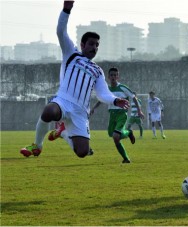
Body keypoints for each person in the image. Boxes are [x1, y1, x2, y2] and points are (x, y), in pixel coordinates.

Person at [20, 1, 129, 158]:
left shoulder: (97, 71)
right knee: (49, 111)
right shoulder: (71, 53)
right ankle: (37, 145)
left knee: (82, 152)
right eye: (91, 44)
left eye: (97, 45)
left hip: (80, 111)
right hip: (63, 101)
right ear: (82, 44)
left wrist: (115, 100)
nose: (94, 47)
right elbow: (61, 32)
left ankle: (63, 132)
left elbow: (102, 93)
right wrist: (66, 10)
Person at [90, 67, 144, 163]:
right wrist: (94, 108)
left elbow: (134, 97)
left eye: (115, 75)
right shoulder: (107, 90)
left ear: (118, 77)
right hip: (112, 115)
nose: (113, 77)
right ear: (108, 77)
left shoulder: (122, 88)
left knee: (115, 136)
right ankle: (128, 134)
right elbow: (102, 100)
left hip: (121, 114)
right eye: (111, 75)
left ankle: (126, 158)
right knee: (113, 135)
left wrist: (139, 111)